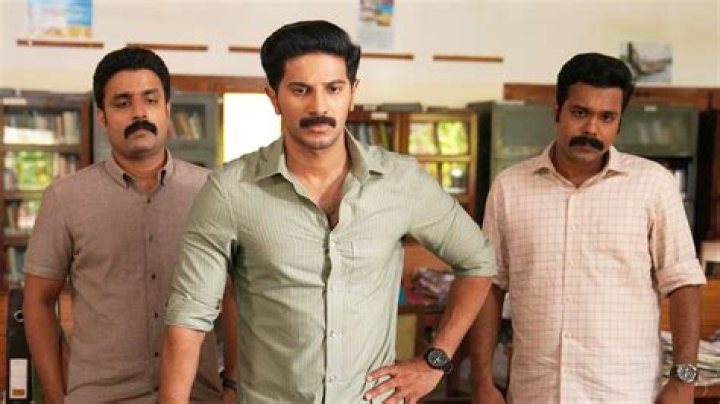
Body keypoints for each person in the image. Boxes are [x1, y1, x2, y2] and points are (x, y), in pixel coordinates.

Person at [160, 20, 496, 404]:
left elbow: (479, 260)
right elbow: (188, 318)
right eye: (300, 90)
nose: (319, 106)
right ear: (274, 98)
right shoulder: (230, 191)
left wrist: (437, 360)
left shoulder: (401, 181)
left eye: (333, 89)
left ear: (352, 93)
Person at [470, 52, 706, 403]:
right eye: (580, 113)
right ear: (557, 111)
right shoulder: (510, 187)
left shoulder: (653, 185)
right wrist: (481, 381)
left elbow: (683, 282)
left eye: (606, 117)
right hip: (537, 392)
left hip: (624, 392)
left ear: (619, 123)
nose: (592, 129)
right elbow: (489, 287)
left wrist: (684, 380)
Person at [23, 47, 237, 403]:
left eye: (150, 100)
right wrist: (56, 396)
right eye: (122, 103)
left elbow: (233, 295)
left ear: (167, 109)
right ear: (102, 116)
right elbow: (38, 301)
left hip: (195, 396)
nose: (139, 113)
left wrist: (232, 386)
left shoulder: (213, 192)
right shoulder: (65, 198)